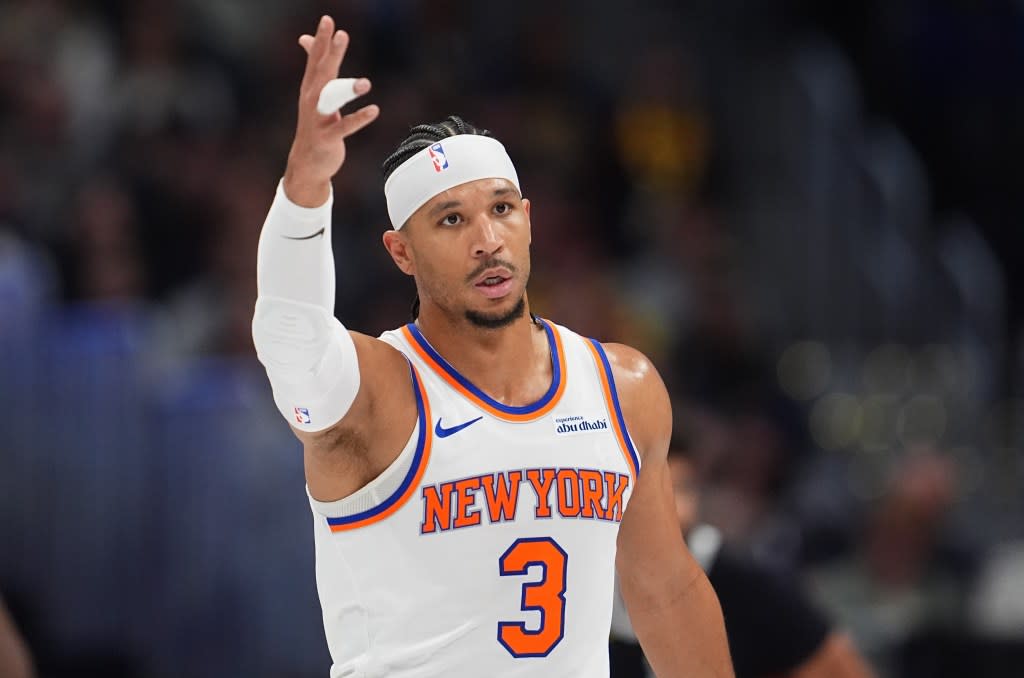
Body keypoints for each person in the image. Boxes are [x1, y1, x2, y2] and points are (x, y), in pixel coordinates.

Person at [251, 15, 733, 678]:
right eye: (451, 219)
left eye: (502, 209)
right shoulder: (376, 392)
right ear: (401, 252)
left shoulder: (623, 387)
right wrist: (306, 190)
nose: (487, 239)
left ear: (528, 221)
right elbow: (289, 335)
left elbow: (666, 592)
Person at [609, 435, 876, 678]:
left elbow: (842, 668)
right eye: (643, 491)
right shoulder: (582, 581)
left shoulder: (751, 586)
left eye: (678, 489)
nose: (664, 508)